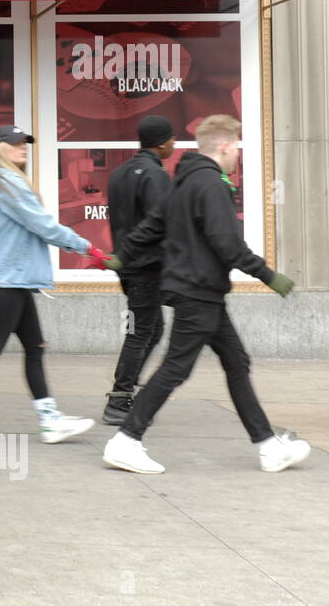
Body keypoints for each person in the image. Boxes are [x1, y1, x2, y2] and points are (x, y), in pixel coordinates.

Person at [103, 115, 308, 474]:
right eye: (236, 149)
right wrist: (269, 276)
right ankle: (126, 440)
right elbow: (227, 243)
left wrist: (123, 255)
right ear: (225, 146)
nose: (237, 157)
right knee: (175, 369)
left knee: (236, 361)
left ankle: (267, 445)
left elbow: (151, 225)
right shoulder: (211, 185)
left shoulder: (181, 182)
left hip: (200, 292)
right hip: (197, 292)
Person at [0, 125, 103, 447]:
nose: (24, 148)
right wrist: (87, 248)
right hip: (9, 280)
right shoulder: (10, 184)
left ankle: (50, 419)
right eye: (16, 144)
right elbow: (44, 226)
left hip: (11, 279)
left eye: (25, 143)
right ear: (1, 149)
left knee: (34, 348)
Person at [101, 115, 175, 425]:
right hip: (147, 267)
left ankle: (127, 390)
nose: (173, 144)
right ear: (161, 143)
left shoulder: (119, 173)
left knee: (152, 328)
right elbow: (161, 223)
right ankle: (119, 399)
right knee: (141, 331)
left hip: (128, 267)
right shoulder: (156, 176)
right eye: (171, 139)